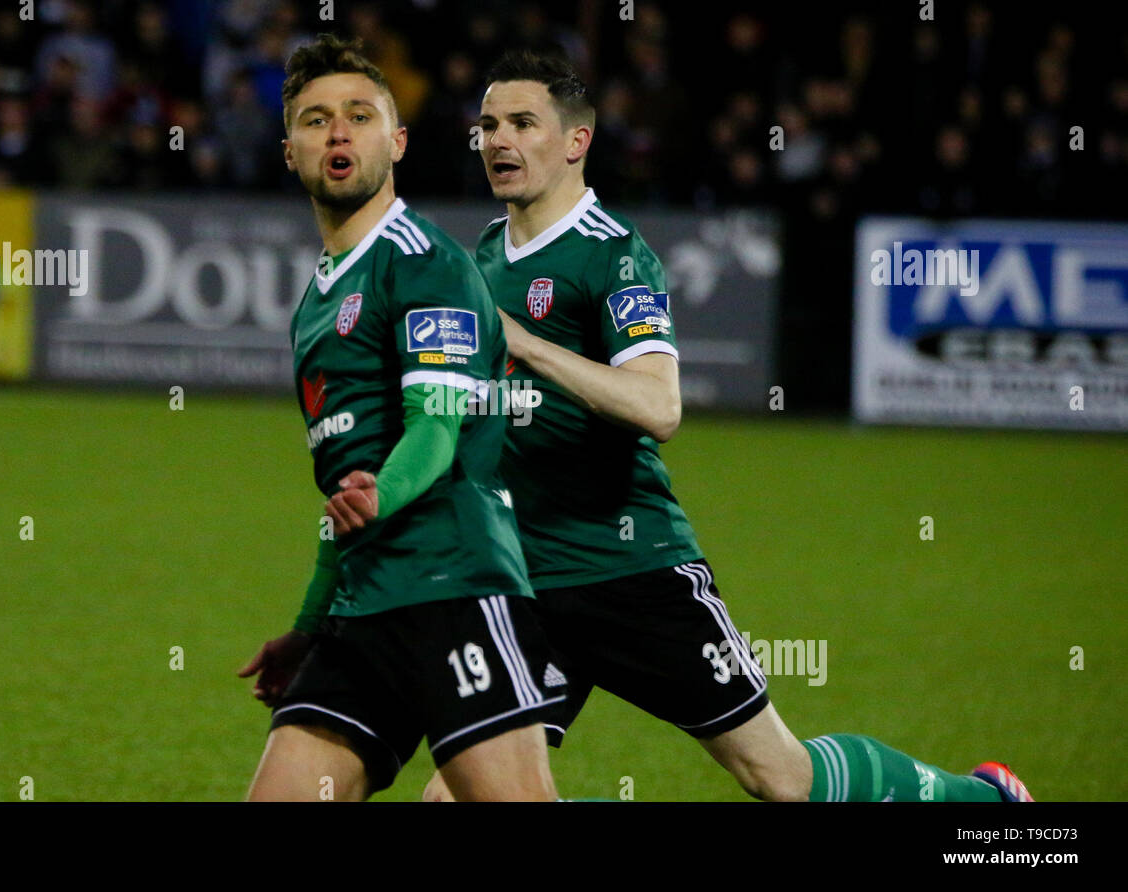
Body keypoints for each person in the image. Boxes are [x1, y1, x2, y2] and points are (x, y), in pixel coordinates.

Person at [422, 50, 1032, 803]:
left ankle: (986, 804)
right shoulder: (483, 252)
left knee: (780, 776)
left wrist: (525, 344)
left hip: (630, 571)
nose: (498, 141)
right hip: (525, 582)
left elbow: (658, 407)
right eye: (487, 125)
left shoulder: (614, 256)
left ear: (576, 142)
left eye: (522, 123)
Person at [238, 35, 562, 802]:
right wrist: (311, 624)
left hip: (453, 586)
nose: (338, 133)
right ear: (291, 152)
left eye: (359, 115)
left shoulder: (425, 262)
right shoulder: (315, 303)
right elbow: (342, 494)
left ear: (398, 140)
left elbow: (435, 431)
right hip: (364, 608)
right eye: (316, 121)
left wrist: (381, 494)